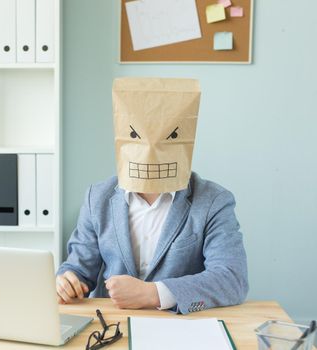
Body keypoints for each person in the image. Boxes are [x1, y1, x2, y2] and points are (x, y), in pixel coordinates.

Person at [56, 78, 248, 314]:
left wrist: (154, 293)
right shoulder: (97, 198)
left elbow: (232, 280)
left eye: (169, 137)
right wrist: (66, 281)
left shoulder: (213, 201)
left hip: (182, 328)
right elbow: (78, 269)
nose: (151, 149)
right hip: (110, 326)